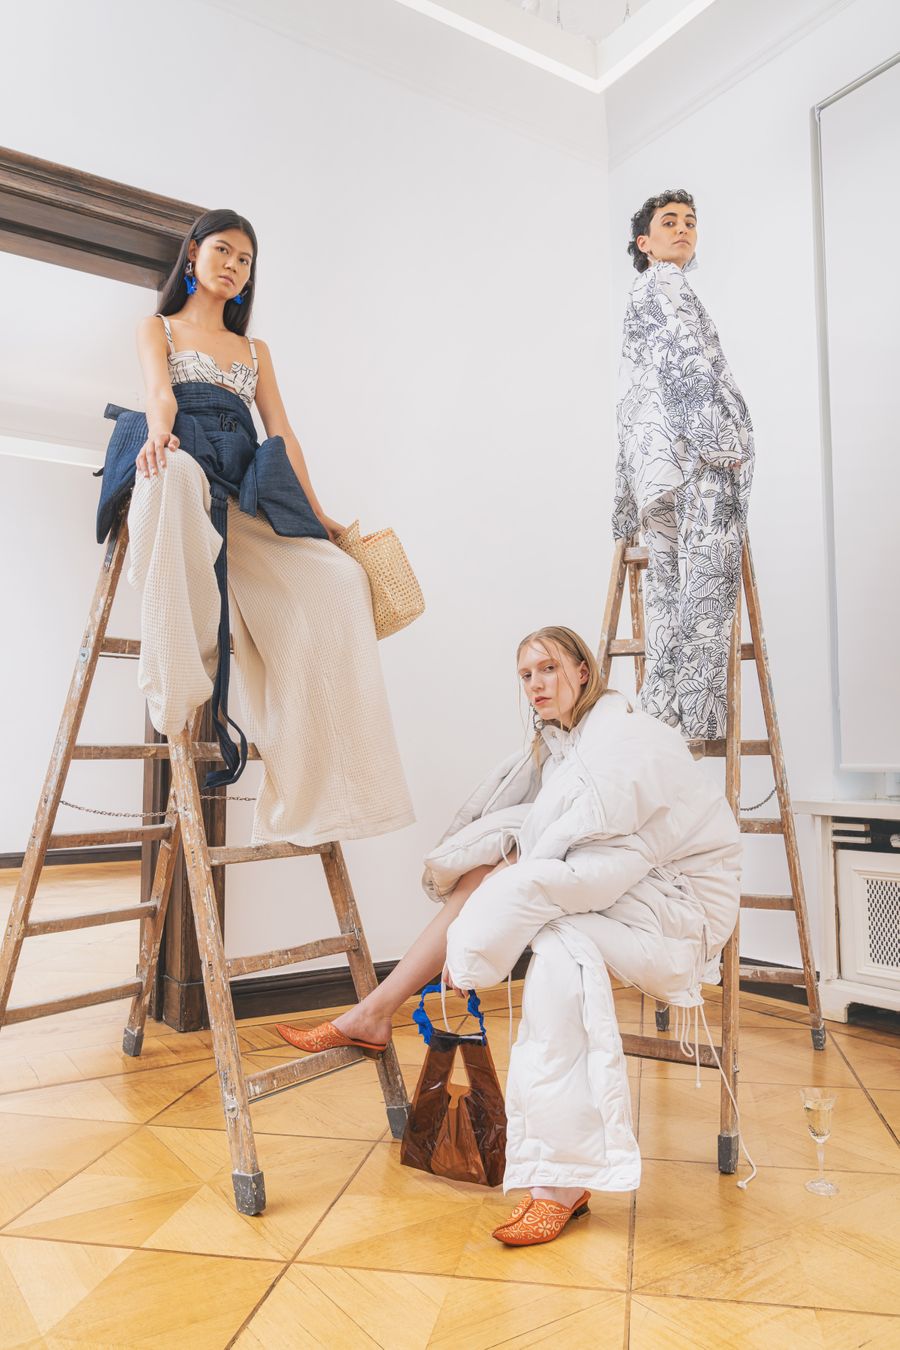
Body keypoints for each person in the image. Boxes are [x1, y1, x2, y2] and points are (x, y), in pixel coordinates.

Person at [277, 627, 742, 1245]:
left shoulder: (626, 735)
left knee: (548, 939)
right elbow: (558, 830)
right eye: (525, 675)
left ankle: (558, 1181)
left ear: (582, 670)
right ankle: (379, 1015)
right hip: (635, 880)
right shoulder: (564, 745)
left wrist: (484, 928)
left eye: (548, 668)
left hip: (675, 902)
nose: (536, 685)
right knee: (497, 876)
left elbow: (606, 830)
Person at [95, 209, 413, 846]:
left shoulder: (254, 351)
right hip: (182, 456)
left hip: (243, 486)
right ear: (193, 254)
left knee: (339, 579)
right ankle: (178, 678)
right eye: (223, 250)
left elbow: (282, 433)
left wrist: (317, 515)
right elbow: (160, 393)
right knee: (169, 475)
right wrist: (160, 434)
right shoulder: (158, 327)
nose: (234, 266)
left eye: (245, 260)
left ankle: (327, 788)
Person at [614, 190, 754, 740]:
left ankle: (662, 713)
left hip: (656, 470)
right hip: (696, 456)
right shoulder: (666, 284)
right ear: (644, 242)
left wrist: (624, 497)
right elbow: (688, 366)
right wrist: (723, 439)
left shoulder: (639, 297)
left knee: (667, 590)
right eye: (669, 222)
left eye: (690, 222)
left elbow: (631, 400)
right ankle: (699, 717)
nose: (683, 229)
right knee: (708, 586)